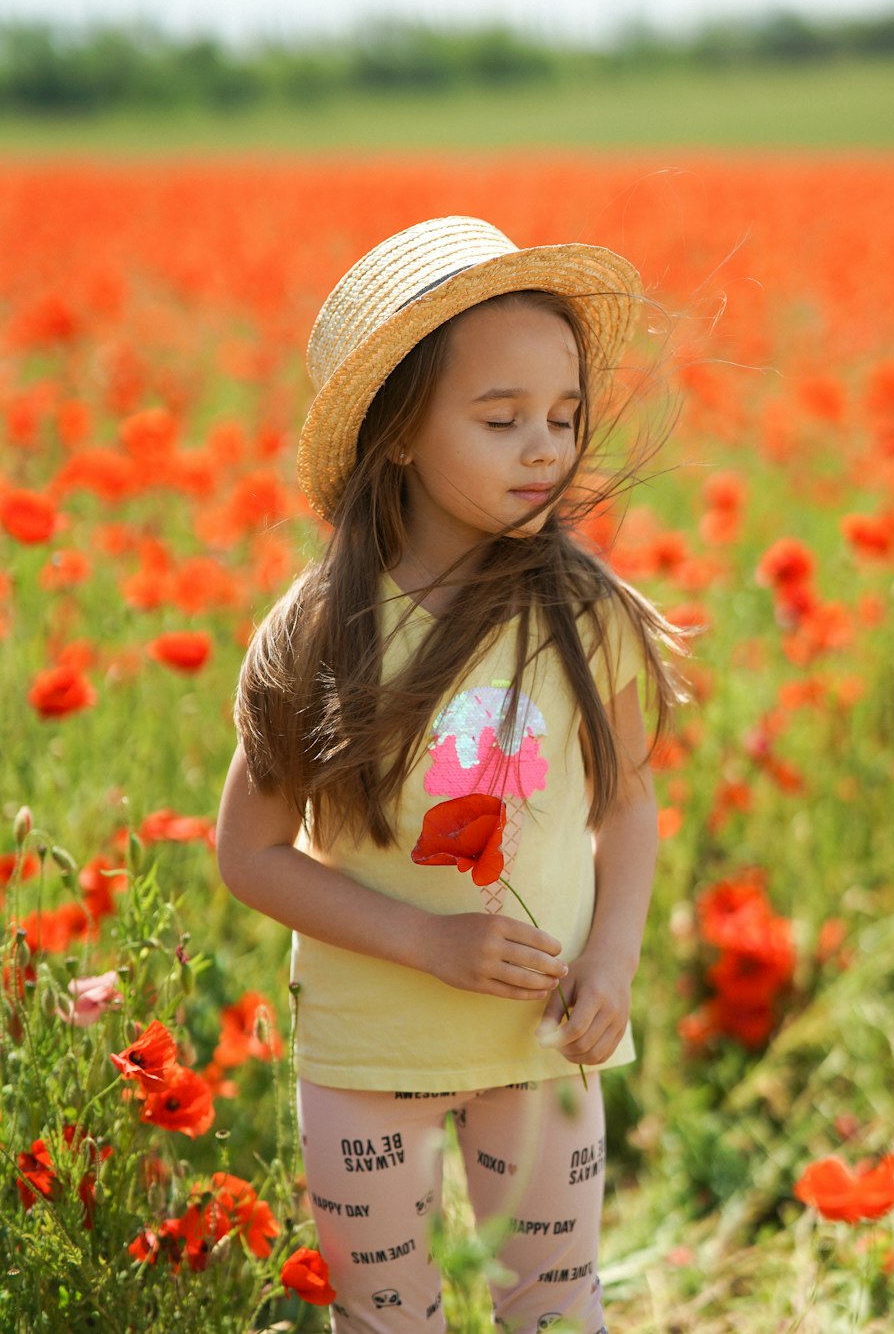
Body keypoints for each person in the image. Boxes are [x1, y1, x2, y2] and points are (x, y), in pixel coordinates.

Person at [216, 215, 684, 1334]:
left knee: (555, 1307)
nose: (545, 449)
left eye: (563, 418)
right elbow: (251, 854)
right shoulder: (321, 630)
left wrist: (612, 959)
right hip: (367, 1055)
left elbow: (625, 809)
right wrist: (427, 942)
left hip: (539, 1045)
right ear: (400, 434)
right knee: (385, 1317)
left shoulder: (585, 615)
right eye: (501, 418)